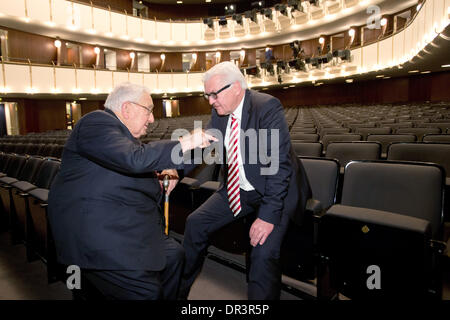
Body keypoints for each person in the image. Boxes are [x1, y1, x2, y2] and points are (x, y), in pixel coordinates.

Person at [48, 82, 215, 300]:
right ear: (126, 108)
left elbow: (136, 164)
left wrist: (169, 168)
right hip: (98, 234)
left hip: (124, 221)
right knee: (146, 293)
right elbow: (134, 160)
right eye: (149, 110)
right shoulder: (96, 122)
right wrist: (186, 141)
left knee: (174, 255)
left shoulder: (122, 136)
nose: (152, 119)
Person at [179, 61, 312, 300]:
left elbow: (279, 167)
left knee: (261, 253)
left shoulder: (267, 107)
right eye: (207, 95)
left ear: (237, 88)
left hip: (274, 193)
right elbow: (202, 147)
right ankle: (177, 292)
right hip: (239, 189)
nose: (210, 101)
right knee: (195, 223)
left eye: (214, 94)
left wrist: (267, 217)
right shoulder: (219, 111)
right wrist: (173, 172)